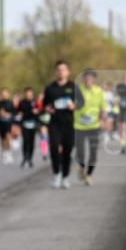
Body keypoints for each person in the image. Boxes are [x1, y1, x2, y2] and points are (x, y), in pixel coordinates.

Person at [43, 60, 81, 189]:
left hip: (69, 123)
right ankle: (56, 174)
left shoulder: (73, 86)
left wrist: (74, 106)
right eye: (59, 69)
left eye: (64, 69)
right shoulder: (50, 88)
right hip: (54, 123)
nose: (61, 72)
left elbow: (81, 103)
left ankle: (65, 176)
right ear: (56, 72)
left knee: (67, 150)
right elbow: (45, 104)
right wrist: (48, 108)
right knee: (54, 148)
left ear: (68, 72)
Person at [74, 70, 106, 186]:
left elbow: (103, 108)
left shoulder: (99, 91)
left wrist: (103, 119)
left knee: (93, 152)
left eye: (91, 78)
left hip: (94, 126)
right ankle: (82, 167)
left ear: (94, 79)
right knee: (80, 152)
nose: (88, 80)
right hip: (79, 126)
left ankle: (89, 175)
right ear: (83, 79)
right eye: (86, 78)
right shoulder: (78, 90)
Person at [16, 87, 40, 168]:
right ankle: (25, 158)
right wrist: (19, 114)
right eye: (27, 94)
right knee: (25, 141)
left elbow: (40, 111)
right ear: (25, 94)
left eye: (30, 94)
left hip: (33, 124)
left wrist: (37, 112)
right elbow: (17, 111)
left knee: (31, 142)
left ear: (32, 94)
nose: (28, 95)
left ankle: (30, 158)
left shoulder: (35, 102)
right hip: (24, 124)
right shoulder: (22, 102)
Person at [0, 88, 15, 164]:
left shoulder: (10, 103)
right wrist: (0, 113)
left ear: (8, 94)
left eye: (5, 94)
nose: (4, 95)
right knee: (3, 139)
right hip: (1, 123)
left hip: (8, 123)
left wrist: (8, 114)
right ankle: (4, 153)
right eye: (3, 94)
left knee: (8, 136)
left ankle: (9, 153)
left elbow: (14, 113)